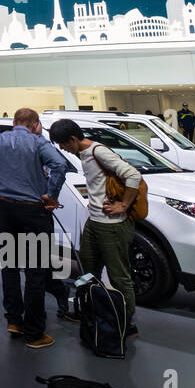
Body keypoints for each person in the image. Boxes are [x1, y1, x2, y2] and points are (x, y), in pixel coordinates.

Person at [0, 108, 70, 350]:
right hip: (33, 211)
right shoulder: (37, 142)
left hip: (5, 210)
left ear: (14, 123)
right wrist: (51, 195)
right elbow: (60, 165)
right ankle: (34, 332)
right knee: (35, 270)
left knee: (9, 266)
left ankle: (14, 320)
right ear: (34, 124)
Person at [50, 119, 142, 337]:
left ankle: (127, 324)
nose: (63, 149)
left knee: (119, 276)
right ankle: (89, 311)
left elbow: (133, 175)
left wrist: (123, 205)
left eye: (63, 144)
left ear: (73, 139)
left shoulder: (97, 152)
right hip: (95, 221)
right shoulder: (84, 154)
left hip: (112, 226)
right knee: (88, 270)